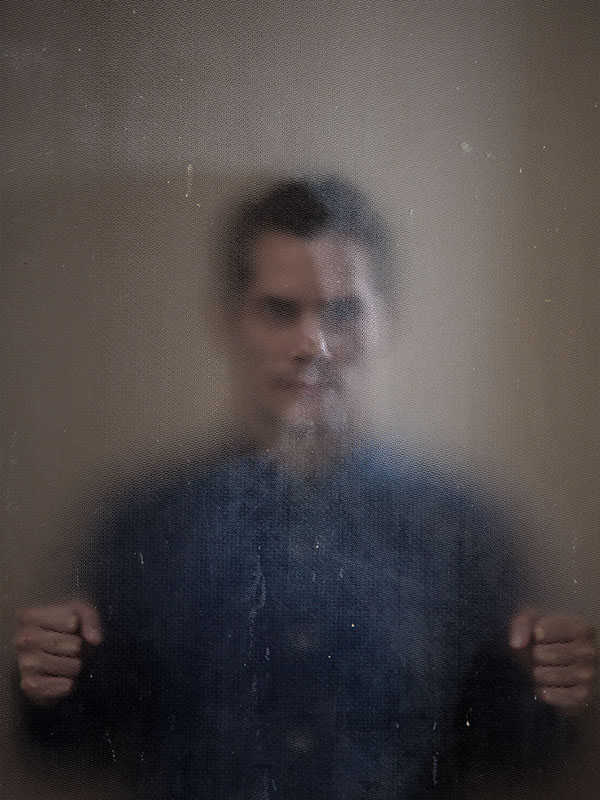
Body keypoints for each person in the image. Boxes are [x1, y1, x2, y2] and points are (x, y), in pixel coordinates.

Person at [15, 176, 597, 799]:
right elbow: (74, 744)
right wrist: (50, 683)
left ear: (387, 321)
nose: (311, 345)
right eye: (279, 311)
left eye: (342, 313)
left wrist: (551, 693)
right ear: (230, 319)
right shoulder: (140, 521)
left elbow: (515, 753)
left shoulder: (467, 524)